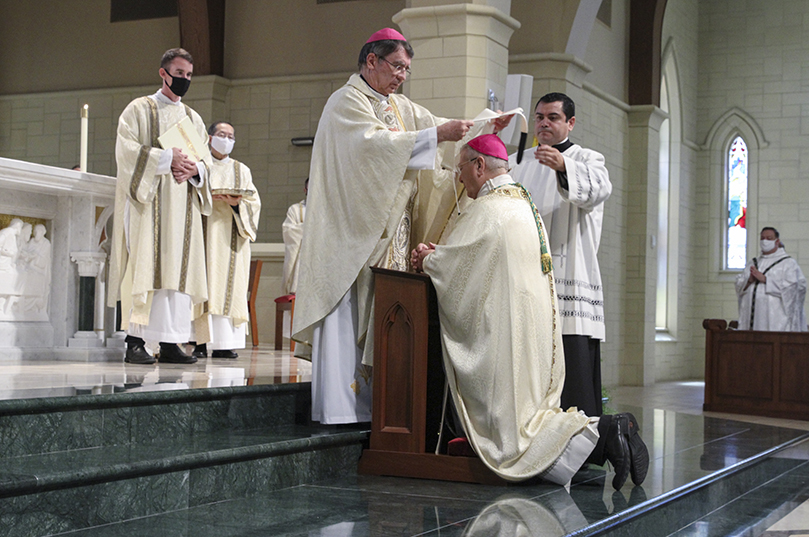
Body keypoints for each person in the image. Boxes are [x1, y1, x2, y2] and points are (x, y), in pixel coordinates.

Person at [411, 134, 648, 489]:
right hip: (528, 333)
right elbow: (474, 257)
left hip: (502, 336)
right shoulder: (522, 204)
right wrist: (444, 256)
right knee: (529, 419)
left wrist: (429, 259)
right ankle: (607, 436)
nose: (459, 179)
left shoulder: (489, 209)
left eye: (461, 169)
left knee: (512, 437)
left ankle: (605, 430)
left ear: (479, 166)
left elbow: (460, 266)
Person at [292, 27, 500, 425]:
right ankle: (340, 410)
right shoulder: (346, 102)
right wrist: (435, 134)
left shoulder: (400, 107)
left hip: (392, 233)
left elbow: (442, 128)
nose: (402, 75)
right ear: (372, 60)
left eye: (407, 69)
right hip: (350, 235)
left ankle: (379, 409)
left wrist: (485, 128)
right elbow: (371, 147)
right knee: (349, 315)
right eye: (397, 66)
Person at [108, 47, 212, 365]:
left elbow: (205, 160)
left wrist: (196, 170)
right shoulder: (140, 109)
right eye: (179, 73)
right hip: (147, 206)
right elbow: (126, 151)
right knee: (146, 268)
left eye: (189, 75)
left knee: (177, 275)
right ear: (163, 73)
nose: (184, 80)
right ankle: (135, 341)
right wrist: (167, 158)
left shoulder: (192, 118)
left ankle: (169, 343)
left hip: (182, 210)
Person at [510, 92, 611, 418]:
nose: (543, 123)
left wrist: (564, 165)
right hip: (526, 275)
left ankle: (580, 443)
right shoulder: (519, 162)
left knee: (573, 365)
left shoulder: (587, 159)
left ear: (570, 122)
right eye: (539, 117)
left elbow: (598, 189)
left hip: (570, 275)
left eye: (552, 117)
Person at [191, 121, 261, 359]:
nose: (227, 139)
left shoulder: (242, 170)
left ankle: (224, 343)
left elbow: (254, 202)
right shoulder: (199, 166)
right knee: (203, 285)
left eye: (231, 136)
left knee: (228, 285)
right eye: (222, 134)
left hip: (232, 237)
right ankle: (198, 341)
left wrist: (237, 203)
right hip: (203, 233)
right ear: (210, 138)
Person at [736, 227, 807, 331]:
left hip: (775, 320)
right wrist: (749, 281)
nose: (765, 241)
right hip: (751, 318)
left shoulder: (788, 263)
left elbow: (794, 289)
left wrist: (766, 280)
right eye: (762, 238)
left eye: (769, 238)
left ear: (777, 241)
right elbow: (740, 287)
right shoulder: (753, 263)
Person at [282, 178, 307, 295]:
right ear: (305, 190)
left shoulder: (327, 210)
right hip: (300, 259)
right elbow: (288, 230)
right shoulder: (295, 209)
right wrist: (308, 229)